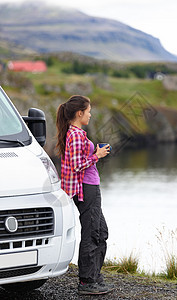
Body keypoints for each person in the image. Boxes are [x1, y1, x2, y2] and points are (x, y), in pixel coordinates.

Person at [56, 95, 113, 295]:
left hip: (90, 187)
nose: (90, 114)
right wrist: (96, 156)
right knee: (92, 233)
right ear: (80, 113)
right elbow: (76, 166)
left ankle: (95, 277)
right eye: (88, 111)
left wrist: (95, 154)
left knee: (101, 232)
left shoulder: (78, 133)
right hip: (86, 189)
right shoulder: (75, 135)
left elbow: (79, 160)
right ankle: (86, 282)